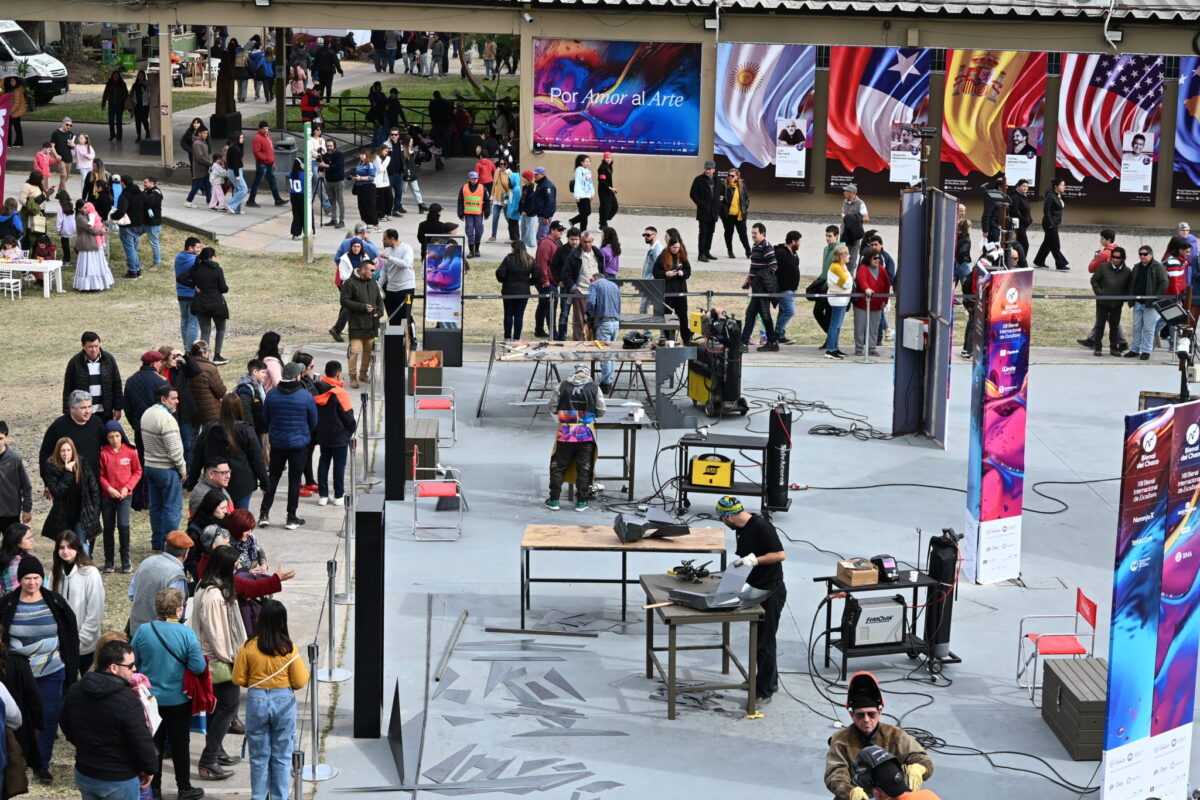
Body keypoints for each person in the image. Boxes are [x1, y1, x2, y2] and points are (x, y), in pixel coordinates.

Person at [0, 555, 79, 783]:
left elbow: (69, 635)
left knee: (48, 718)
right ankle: (20, 758)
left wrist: (71, 668)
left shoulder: (55, 602)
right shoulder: (7, 604)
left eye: (36, 578)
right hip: (17, 675)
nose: (32, 583)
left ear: (42, 579)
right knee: (19, 717)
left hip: (52, 673)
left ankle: (42, 764)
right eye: (27, 578)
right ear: (20, 579)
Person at [130, 586, 206, 800]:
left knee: (154, 745)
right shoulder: (186, 633)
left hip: (150, 699)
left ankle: (154, 789)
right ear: (178, 610)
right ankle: (184, 787)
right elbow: (198, 667)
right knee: (181, 743)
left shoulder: (144, 631)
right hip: (178, 699)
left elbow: (134, 662)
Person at [61, 638, 158, 800]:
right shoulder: (127, 700)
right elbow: (141, 740)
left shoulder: (76, 689)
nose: (134, 669)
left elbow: (65, 724)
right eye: (130, 665)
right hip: (119, 779)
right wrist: (150, 768)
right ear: (113, 667)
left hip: (85, 773)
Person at [232, 598, 309, 800]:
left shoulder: (248, 646)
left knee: (258, 757)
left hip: (257, 700)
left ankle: (258, 796)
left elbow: (237, 678)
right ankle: (279, 797)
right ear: (282, 622)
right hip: (283, 701)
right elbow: (300, 681)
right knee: (282, 756)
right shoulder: (288, 648)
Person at [715, 495, 786, 704]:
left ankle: (764, 691)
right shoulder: (741, 529)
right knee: (760, 641)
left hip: (770, 590)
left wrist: (755, 560)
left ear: (727, 517)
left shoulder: (762, 527)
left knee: (764, 643)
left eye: (722, 518)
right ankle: (770, 681)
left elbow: (780, 554)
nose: (723, 522)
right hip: (754, 587)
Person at [825, 672, 934, 800]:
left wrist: (919, 768)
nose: (866, 719)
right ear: (851, 715)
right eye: (860, 715)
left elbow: (922, 759)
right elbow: (835, 774)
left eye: (871, 714)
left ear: (880, 712)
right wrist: (850, 793)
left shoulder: (894, 735)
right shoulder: (840, 740)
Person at [192, 545, 246, 780]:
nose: (238, 569)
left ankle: (217, 751)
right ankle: (209, 759)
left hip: (214, 659)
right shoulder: (214, 595)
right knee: (228, 708)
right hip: (219, 661)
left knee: (216, 709)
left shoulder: (209, 586)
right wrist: (234, 659)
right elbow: (217, 636)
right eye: (235, 565)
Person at [259, 362, 318, 530]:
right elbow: (313, 421)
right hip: (299, 444)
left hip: (277, 442)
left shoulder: (272, 395)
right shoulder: (305, 396)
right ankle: (291, 517)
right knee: (294, 480)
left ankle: (264, 514)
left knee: (273, 477)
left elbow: (266, 418)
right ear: (297, 376)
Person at [190, 395, 266, 513]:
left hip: (216, 481)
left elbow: (198, 456)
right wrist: (265, 483)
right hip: (241, 483)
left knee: (219, 516)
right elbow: (257, 459)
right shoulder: (246, 430)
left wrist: (192, 481)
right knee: (240, 521)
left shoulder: (210, 428)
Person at [544, 365, 605, 511]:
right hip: (585, 433)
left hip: (566, 433)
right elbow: (601, 410)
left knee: (558, 466)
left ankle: (554, 500)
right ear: (587, 373)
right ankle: (581, 502)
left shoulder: (562, 386)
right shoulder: (595, 388)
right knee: (584, 468)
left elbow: (552, 407)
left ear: (575, 372)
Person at [51, 530, 104, 673]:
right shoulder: (55, 573)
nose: (65, 551)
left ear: (78, 548)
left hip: (86, 646)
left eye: (70, 547)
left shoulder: (90, 573)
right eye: (61, 547)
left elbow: (95, 611)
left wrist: (81, 640)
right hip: (61, 645)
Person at [142, 385, 187, 552]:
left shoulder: (147, 414)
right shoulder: (167, 419)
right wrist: (182, 468)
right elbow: (175, 450)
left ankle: (158, 542)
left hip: (150, 466)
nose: (177, 401)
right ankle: (171, 545)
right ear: (163, 399)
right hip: (167, 469)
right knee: (172, 508)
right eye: (173, 398)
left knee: (156, 506)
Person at [127, 530, 191, 635]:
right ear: (186, 553)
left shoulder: (147, 561)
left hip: (136, 630)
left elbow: (131, 594)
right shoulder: (176, 575)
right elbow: (174, 614)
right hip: (160, 636)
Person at [42, 436, 101, 547]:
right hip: (63, 516)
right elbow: (57, 492)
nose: (65, 453)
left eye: (68, 450)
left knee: (83, 546)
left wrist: (94, 511)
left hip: (82, 514)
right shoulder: (51, 467)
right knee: (65, 547)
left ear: (73, 450)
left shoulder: (82, 463)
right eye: (62, 450)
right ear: (58, 452)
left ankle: (84, 564)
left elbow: (94, 489)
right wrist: (68, 472)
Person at [98, 420, 140, 572]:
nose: (114, 440)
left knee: (123, 525)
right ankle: (109, 560)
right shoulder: (103, 453)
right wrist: (108, 488)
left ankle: (125, 558)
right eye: (111, 437)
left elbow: (137, 471)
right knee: (108, 527)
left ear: (122, 435)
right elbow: (100, 475)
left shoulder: (130, 452)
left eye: (117, 436)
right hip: (108, 496)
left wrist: (127, 488)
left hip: (124, 496)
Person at [313, 361, 356, 506]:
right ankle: (339, 495)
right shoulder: (340, 393)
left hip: (323, 433)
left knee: (323, 461)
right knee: (339, 465)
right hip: (339, 435)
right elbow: (348, 415)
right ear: (338, 374)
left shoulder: (317, 389)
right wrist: (352, 428)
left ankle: (323, 495)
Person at [179, 250, 231, 366]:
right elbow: (223, 288)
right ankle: (217, 356)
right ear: (212, 257)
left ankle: (204, 358)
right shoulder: (217, 269)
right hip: (216, 303)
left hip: (200, 303)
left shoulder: (195, 268)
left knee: (205, 331)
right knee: (220, 329)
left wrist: (194, 286)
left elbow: (180, 278)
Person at [341, 258, 385, 389]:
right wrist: (362, 307)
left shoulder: (373, 283)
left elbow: (379, 299)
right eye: (372, 270)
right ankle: (353, 377)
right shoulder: (349, 283)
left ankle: (363, 374)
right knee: (354, 351)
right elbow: (344, 301)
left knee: (368, 351)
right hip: (356, 324)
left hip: (371, 324)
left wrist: (380, 312)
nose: (374, 272)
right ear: (364, 269)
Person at [63, 332, 123, 422]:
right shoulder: (74, 362)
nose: (94, 349)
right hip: (84, 412)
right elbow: (68, 388)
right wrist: (68, 412)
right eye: (90, 347)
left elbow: (117, 384)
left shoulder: (109, 360)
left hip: (105, 412)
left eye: (96, 346)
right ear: (83, 346)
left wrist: (118, 408)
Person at [562, 230, 609, 341]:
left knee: (595, 319)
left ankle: (594, 341)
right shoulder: (574, 255)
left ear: (592, 241)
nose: (587, 244)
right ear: (581, 241)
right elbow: (565, 274)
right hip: (581, 291)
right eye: (584, 242)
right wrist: (574, 288)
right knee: (579, 320)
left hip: (596, 291)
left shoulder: (597, 253)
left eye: (589, 242)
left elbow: (602, 270)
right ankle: (577, 343)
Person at [1087, 246, 1133, 357]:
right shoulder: (1103, 267)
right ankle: (1098, 347)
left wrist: (1124, 297)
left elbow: (1129, 286)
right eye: (1114, 257)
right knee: (1100, 325)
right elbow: (1094, 280)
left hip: (1117, 303)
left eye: (1118, 258)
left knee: (1115, 326)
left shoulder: (1127, 271)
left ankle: (1114, 347)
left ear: (1123, 258)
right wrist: (1099, 292)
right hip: (1102, 302)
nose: (1115, 259)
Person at [741, 223, 780, 352]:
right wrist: (749, 279)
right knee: (763, 315)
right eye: (752, 233)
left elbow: (773, 266)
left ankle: (744, 343)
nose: (752, 235)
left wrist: (758, 278)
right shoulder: (755, 246)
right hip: (756, 287)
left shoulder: (766, 246)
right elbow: (754, 266)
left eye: (755, 233)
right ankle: (772, 341)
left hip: (762, 289)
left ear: (763, 233)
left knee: (752, 313)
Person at [653, 233, 693, 346]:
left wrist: (682, 273)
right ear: (669, 246)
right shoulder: (662, 256)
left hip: (680, 292)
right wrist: (666, 273)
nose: (676, 250)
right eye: (674, 247)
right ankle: (668, 339)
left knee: (683, 316)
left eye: (678, 248)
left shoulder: (682, 256)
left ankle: (686, 338)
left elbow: (688, 271)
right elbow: (655, 272)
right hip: (668, 292)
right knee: (667, 317)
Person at [586, 272, 621, 392]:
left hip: (604, 323)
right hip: (615, 323)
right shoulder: (614, 286)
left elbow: (590, 302)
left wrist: (591, 314)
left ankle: (606, 384)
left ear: (594, 279)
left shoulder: (594, 285)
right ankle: (609, 380)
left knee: (605, 355)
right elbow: (619, 304)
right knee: (611, 355)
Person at [853, 251, 892, 358]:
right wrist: (867, 289)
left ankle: (872, 348)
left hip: (877, 305)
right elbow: (861, 280)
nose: (877, 260)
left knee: (874, 328)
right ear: (869, 258)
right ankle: (859, 348)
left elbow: (887, 286)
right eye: (875, 258)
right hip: (862, 304)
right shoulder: (863, 268)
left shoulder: (882, 270)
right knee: (860, 327)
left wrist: (885, 300)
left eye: (878, 258)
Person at [496, 240, 536, 341]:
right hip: (523, 291)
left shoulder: (509, 259)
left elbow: (500, 273)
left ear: (514, 248)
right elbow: (537, 274)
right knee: (519, 315)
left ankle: (507, 337)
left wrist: (505, 280)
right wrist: (530, 282)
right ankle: (517, 338)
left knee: (508, 314)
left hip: (508, 290)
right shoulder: (530, 259)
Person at [110, 174, 145, 279]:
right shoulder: (140, 193)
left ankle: (132, 271)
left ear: (123, 183)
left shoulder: (124, 196)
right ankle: (137, 269)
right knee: (133, 248)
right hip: (140, 224)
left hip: (128, 226)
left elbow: (121, 211)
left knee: (130, 249)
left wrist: (112, 216)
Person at [0, 422, 32, 535]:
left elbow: (26, 485)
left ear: (7, 437)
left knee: (12, 548)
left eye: (0, 438)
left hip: (10, 513)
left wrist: (27, 509)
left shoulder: (15, 460)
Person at [380, 228, 416, 327]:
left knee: (405, 316)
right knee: (393, 317)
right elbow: (384, 271)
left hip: (406, 288)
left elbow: (406, 264)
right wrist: (379, 286)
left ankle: (411, 340)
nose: (383, 241)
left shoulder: (406, 248)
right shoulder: (387, 250)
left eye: (384, 238)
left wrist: (389, 257)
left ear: (392, 239)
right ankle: (396, 341)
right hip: (391, 289)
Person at [824, 244, 854, 359]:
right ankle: (830, 350)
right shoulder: (836, 267)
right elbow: (848, 283)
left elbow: (848, 281)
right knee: (835, 325)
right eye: (847, 254)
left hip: (842, 299)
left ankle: (835, 348)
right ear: (841, 256)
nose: (849, 256)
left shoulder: (841, 266)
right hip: (838, 300)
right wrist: (849, 279)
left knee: (837, 325)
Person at [689, 160, 722, 262]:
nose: (707, 171)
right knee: (703, 233)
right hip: (703, 212)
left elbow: (721, 193)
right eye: (706, 169)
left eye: (709, 169)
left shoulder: (718, 180)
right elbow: (693, 194)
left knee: (710, 233)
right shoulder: (698, 180)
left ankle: (707, 252)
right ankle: (701, 254)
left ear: (714, 170)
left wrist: (718, 204)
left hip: (713, 212)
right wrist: (701, 205)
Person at [248, 122, 286, 208]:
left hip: (269, 164)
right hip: (262, 164)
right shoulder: (257, 138)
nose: (265, 130)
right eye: (263, 129)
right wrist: (266, 159)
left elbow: (270, 150)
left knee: (272, 181)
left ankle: (278, 200)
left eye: (266, 128)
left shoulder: (267, 137)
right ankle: (251, 200)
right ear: (260, 129)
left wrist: (272, 161)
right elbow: (256, 152)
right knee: (258, 182)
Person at [1033, 178, 1068, 270]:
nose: (1064, 187)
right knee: (1055, 244)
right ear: (1056, 187)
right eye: (1062, 185)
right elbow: (1046, 210)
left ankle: (1039, 261)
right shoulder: (1050, 196)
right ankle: (1061, 264)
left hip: (1055, 223)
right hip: (1050, 224)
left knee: (1047, 243)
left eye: (1064, 185)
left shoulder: (1058, 195)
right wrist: (1051, 223)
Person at [773, 231, 801, 344]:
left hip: (792, 288)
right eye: (799, 241)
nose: (800, 244)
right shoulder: (781, 252)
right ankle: (777, 333)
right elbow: (776, 270)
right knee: (790, 311)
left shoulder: (793, 252)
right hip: (784, 289)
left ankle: (780, 335)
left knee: (783, 311)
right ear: (793, 241)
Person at [458, 170, 491, 259]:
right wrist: (460, 214)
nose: (475, 180)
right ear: (470, 179)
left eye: (476, 178)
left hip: (478, 213)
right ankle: (471, 251)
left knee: (479, 231)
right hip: (468, 214)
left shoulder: (483, 188)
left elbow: (487, 202)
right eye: (473, 179)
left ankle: (477, 249)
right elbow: (460, 201)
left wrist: (487, 213)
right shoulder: (464, 188)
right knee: (469, 231)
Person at [721, 168, 751, 259]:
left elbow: (747, 198)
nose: (730, 177)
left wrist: (745, 207)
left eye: (732, 176)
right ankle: (730, 251)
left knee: (743, 234)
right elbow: (720, 199)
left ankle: (748, 251)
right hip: (728, 215)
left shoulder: (742, 186)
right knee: (729, 233)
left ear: (737, 177)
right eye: (729, 175)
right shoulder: (724, 186)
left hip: (740, 215)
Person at [186, 128, 214, 208]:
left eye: (207, 133)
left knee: (208, 186)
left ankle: (209, 201)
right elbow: (199, 157)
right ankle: (188, 201)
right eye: (204, 133)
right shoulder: (197, 143)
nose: (206, 135)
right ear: (199, 133)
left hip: (205, 169)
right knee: (197, 186)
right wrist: (210, 163)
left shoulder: (203, 143)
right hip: (199, 169)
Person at [1008, 179, 1032, 266]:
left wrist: (1030, 219)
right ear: (1018, 186)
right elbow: (1014, 212)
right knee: (1025, 244)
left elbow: (1026, 210)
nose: (1025, 188)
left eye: (1027, 186)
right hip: (1018, 225)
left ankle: (1016, 261)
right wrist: (1025, 220)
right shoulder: (1016, 196)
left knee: (1019, 244)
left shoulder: (1023, 196)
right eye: (1023, 186)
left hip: (1023, 225)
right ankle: (1021, 262)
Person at [352, 150, 379, 229]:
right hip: (360, 186)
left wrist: (360, 178)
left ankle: (375, 223)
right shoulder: (360, 164)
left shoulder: (370, 164)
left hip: (368, 187)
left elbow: (372, 177)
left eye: (363, 154)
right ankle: (365, 222)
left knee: (369, 206)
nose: (361, 156)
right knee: (361, 206)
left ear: (367, 155)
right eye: (360, 154)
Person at [225, 133, 249, 215]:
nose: (243, 139)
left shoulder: (237, 147)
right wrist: (237, 175)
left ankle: (237, 210)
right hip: (234, 171)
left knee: (238, 189)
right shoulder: (233, 148)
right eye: (241, 137)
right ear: (236, 138)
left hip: (237, 170)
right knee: (244, 189)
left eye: (243, 137)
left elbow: (238, 161)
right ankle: (230, 204)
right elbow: (235, 163)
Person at [569, 154, 595, 231]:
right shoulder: (579, 171)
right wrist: (577, 196)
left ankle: (573, 221)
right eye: (586, 161)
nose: (588, 163)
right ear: (581, 162)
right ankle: (583, 230)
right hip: (581, 195)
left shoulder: (588, 171)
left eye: (589, 161)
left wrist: (592, 193)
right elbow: (577, 184)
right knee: (584, 214)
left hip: (587, 195)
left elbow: (590, 183)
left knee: (588, 212)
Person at [530, 167, 557, 241]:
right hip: (542, 214)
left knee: (541, 237)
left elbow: (550, 202)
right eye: (534, 174)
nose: (534, 176)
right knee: (546, 236)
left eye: (536, 174)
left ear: (542, 175)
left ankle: (542, 252)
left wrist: (546, 216)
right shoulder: (541, 184)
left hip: (544, 215)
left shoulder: (547, 185)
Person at [101, 71, 129, 142]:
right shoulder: (109, 84)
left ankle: (119, 136)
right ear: (112, 76)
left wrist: (128, 105)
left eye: (117, 75)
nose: (116, 76)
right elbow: (105, 94)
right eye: (114, 75)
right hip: (111, 105)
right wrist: (103, 104)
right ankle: (112, 134)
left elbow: (126, 95)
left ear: (119, 76)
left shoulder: (122, 84)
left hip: (119, 105)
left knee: (118, 121)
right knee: (111, 121)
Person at [50, 117, 75, 191]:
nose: (69, 127)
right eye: (67, 124)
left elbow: (73, 146)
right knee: (63, 175)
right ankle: (64, 193)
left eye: (70, 125)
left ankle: (60, 191)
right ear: (63, 124)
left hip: (69, 157)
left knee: (66, 176)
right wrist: (56, 155)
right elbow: (52, 146)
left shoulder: (71, 134)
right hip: (60, 158)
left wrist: (73, 145)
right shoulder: (56, 133)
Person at [2, 77, 26, 148]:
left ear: (17, 81)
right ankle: (19, 142)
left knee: (9, 128)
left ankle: (8, 143)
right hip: (17, 112)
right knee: (17, 127)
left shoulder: (16, 90)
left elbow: (16, 103)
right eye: (10, 81)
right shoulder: (17, 89)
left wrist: (9, 112)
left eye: (13, 81)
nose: (11, 82)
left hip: (14, 112)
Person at [130, 70, 151, 142]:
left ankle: (147, 131)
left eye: (142, 75)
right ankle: (139, 135)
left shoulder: (146, 84)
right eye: (139, 75)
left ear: (144, 76)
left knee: (144, 119)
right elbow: (131, 95)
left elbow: (150, 86)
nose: (141, 76)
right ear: (138, 76)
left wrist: (143, 83)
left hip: (144, 105)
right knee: (137, 121)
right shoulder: (135, 85)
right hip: (137, 105)